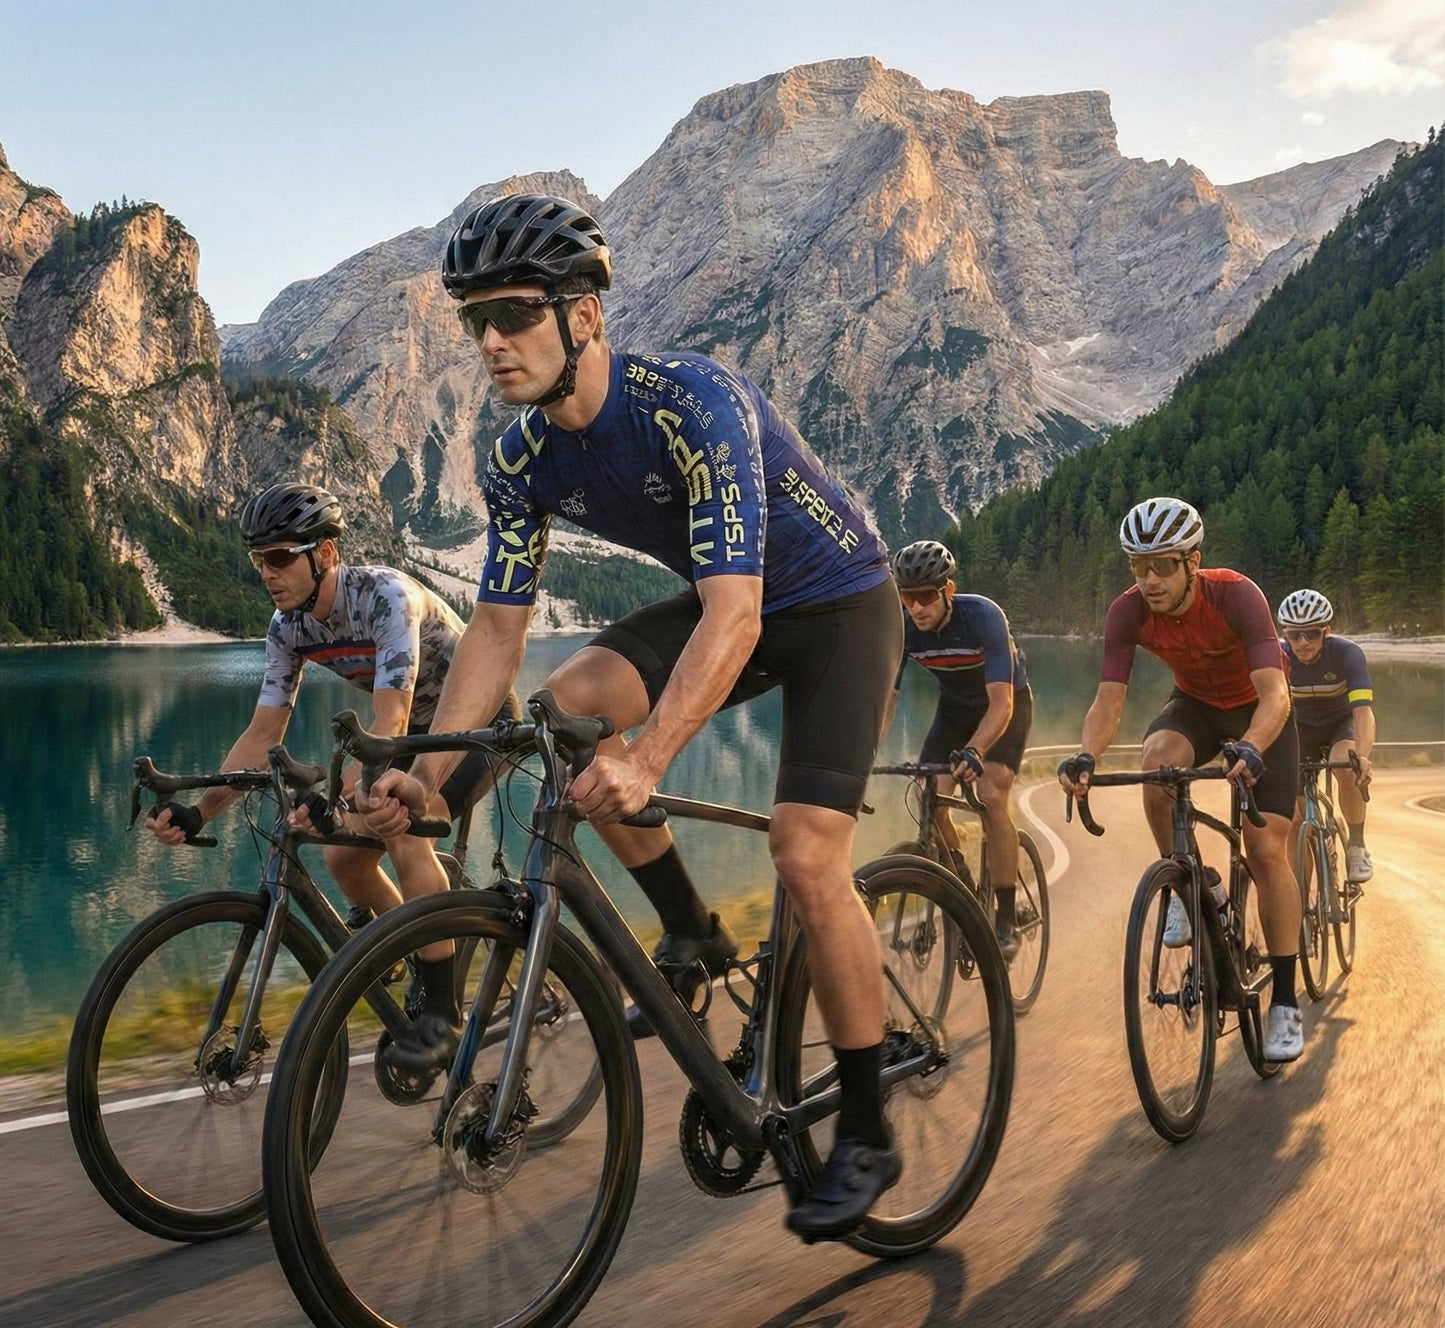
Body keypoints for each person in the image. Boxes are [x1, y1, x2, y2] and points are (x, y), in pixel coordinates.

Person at [359, 193, 903, 1239]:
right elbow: (495, 636)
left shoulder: (692, 401)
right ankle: (694, 928)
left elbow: (738, 614)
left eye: (513, 312)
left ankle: (869, 1127)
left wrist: (651, 756)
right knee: (564, 714)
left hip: (834, 605)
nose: (489, 340)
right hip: (721, 605)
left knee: (802, 853)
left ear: (585, 317)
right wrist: (429, 784)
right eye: (474, 317)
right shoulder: (520, 457)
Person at [144, 482, 517, 1070]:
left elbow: (391, 715)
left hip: (476, 724)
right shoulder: (287, 627)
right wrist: (200, 810)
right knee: (344, 857)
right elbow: (263, 734)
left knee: (405, 824)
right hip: (407, 734)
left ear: (325, 554)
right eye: (258, 559)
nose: (267, 572)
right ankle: (408, 945)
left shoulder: (385, 597)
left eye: (280, 556)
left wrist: (356, 784)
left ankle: (443, 1012)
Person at [1056, 497, 1306, 1062]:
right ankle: (1189, 880)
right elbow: (1107, 700)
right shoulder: (1127, 613)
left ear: (1193, 561)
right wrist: (1086, 755)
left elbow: (1276, 695)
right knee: (1156, 761)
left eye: (1162, 565)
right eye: (1137, 566)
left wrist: (1254, 745)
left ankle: (1286, 1001)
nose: (1148, 579)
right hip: (1194, 703)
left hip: (1258, 715)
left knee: (1267, 851)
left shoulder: (1237, 596)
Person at [883, 540, 1034, 959]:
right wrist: (863, 754)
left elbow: (1002, 703)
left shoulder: (983, 617)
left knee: (990, 795)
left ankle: (1005, 919)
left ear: (947, 591)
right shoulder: (904, 628)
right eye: (907, 597)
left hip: (1004, 706)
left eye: (926, 596)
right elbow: (886, 700)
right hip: (954, 711)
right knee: (927, 796)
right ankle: (963, 882)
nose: (916, 607)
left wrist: (976, 750)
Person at [1277, 588, 1375, 883]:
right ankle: (1301, 894)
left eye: (1312, 634)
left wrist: (1363, 756)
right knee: (1294, 818)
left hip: (1339, 724)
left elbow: (1362, 712)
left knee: (1346, 766)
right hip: (1299, 729)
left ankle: (1356, 845)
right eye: (1294, 635)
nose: (1303, 643)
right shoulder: (1278, 657)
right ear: (1285, 634)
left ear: (1326, 631)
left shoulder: (1347, 654)